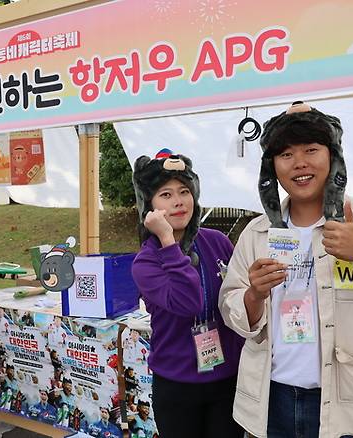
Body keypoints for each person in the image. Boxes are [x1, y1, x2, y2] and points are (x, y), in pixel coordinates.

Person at [219, 101, 353, 438]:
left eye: (311, 149)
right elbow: (232, 309)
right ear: (272, 167)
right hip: (272, 401)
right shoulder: (257, 233)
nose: (300, 164)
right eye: (286, 154)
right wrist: (254, 294)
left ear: (333, 156)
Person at [130, 149, 244, 438]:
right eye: (165, 195)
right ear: (149, 205)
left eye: (184, 191)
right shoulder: (146, 262)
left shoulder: (217, 241)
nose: (178, 201)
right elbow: (188, 302)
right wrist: (168, 241)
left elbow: (237, 296)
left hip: (227, 378)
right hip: (177, 383)